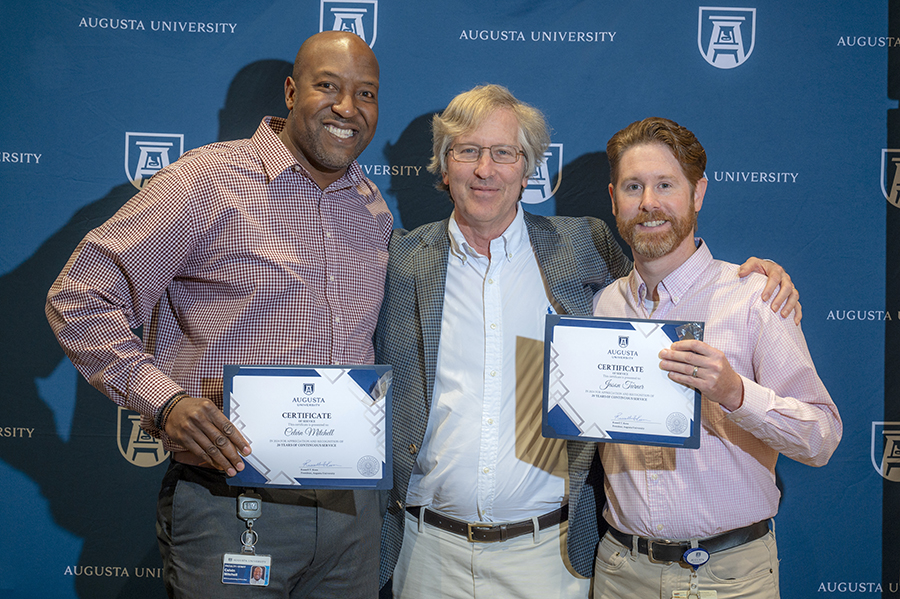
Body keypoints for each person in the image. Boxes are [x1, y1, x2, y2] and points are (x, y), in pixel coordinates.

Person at [375, 85, 800, 598]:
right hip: (427, 553)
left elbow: (666, 282)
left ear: (529, 168)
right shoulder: (397, 260)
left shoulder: (584, 247)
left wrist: (759, 277)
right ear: (445, 167)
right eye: (467, 151)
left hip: (547, 556)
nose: (485, 170)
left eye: (503, 152)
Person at [45, 31, 391, 598]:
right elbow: (80, 296)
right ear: (290, 90)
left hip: (351, 514)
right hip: (232, 501)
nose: (347, 108)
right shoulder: (207, 182)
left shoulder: (371, 206)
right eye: (327, 86)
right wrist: (164, 400)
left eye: (366, 93)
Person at [576, 117, 842, 599]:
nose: (649, 203)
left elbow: (821, 439)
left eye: (665, 185)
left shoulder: (756, 299)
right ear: (614, 197)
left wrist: (735, 393)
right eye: (634, 187)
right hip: (621, 573)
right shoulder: (601, 307)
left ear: (697, 194)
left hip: (729, 577)